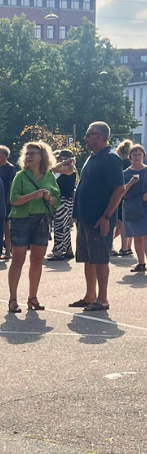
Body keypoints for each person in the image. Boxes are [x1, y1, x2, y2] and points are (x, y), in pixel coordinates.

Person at [71, 122, 126, 312]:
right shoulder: (92, 157)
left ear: (99, 136)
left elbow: (120, 189)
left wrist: (107, 217)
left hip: (99, 219)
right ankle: (90, 296)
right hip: (85, 218)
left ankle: (102, 299)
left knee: (100, 259)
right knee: (88, 258)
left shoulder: (110, 158)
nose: (85, 137)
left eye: (88, 134)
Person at [7, 142, 60, 312]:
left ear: (42, 157)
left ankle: (33, 297)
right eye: (27, 153)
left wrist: (49, 197)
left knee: (37, 261)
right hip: (21, 220)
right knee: (18, 260)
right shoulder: (21, 176)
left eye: (33, 153)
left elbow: (56, 201)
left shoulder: (49, 176)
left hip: (42, 221)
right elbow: (14, 200)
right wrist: (33, 195)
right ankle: (13, 299)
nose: (28, 156)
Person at [48, 150, 77, 261]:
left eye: (60, 158)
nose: (58, 160)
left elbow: (53, 168)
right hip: (64, 200)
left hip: (64, 201)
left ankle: (58, 251)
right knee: (64, 226)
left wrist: (64, 162)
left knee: (59, 226)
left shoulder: (69, 168)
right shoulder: (65, 169)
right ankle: (68, 250)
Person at [122, 144, 147, 273]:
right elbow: (120, 192)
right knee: (137, 237)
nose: (137, 156)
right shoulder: (125, 173)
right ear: (130, 156)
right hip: (132, 208)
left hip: (145, 208)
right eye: (134, 154)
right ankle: (141, 264)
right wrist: (130, 183)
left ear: (143, 156)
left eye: (139, 154)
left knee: (145, 237)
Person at [0, 145, 18, 259]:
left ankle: (8, 250)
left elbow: (12, 185)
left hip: (5, 202)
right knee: (0, 225)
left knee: (6, 225)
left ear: (4, 156)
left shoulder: (10, 168)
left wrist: (8, 200)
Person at [115, 139, 134, 257]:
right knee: (129, 222)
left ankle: (124, 247)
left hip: (122, 195)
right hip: (131, 196)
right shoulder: (132, 165)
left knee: (121, 222)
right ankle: (129, 247)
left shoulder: (120, 164)